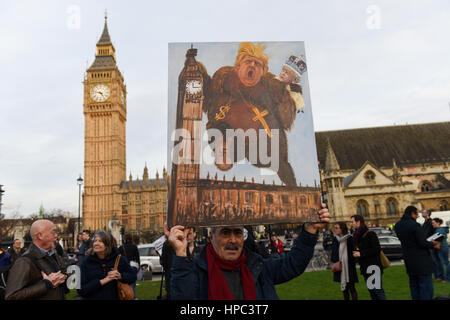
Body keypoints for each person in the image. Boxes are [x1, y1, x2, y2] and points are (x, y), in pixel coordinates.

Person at [168, 204, 329, 300]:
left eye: (238, 233)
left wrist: (310, 230)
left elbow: (293, 264)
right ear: (211, 236)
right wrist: (181, 254)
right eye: (225, 232)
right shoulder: (196, 270)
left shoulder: (258, 266)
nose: (233, 240)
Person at [202, 42, 299, 186]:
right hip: (237, 139)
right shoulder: (224, 89)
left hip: (263, 144)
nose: (252, 65)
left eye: (258, 64)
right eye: (248, 61)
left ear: (263, 72)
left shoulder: (273, 94)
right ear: (238, 66)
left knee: (279, 165)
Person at [5, 219, 68, 300]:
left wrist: (63, 276)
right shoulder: (24, 261)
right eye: (53, 232)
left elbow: (64, 272)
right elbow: (11, 296)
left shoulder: (52, 254)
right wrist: (46, 284)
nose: (56, 236)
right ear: (39, 236)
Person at [394, 206, 441, 300]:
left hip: (409, 259)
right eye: (417, 214)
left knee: (414, 286)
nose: (417, 216)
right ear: (412, 213)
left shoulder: (397, 225)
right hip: (421, 261)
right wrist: (433, 244)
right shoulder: (414, 225)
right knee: (426, 288)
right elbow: (422, 242)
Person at [77, 230, 136, 300]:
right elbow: (81, 290)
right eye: (95, 241)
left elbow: (133, 276)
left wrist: (120, 276)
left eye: (100, 241)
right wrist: (104, 280)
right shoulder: (86, 262)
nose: (96, 243)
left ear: (108, 244)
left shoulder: (119, 259)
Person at [350, 214, 386, 300]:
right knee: (372, 292)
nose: (351, 224)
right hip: (365, 268)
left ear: (358, 222)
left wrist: (361, 253)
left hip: (374, 267)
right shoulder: (356, 235)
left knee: (378, 291)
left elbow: (376, 249)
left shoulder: (370, 234)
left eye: (352, 222)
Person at [330, 222, 358, 300]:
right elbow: (333, 254)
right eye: (334, 228)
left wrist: (347, 260)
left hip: (349, 267)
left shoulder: (349, 238)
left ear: (342, 229)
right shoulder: (335, 239)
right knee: (344, 290)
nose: (334, 230)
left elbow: (353, 253)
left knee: (352, 289)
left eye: (336, 228)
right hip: (341, 268)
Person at [119, 233, 140, 298]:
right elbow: (137, 258)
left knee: (124, 284)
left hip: (124, 267)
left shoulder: (121, 247)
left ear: (124, 239)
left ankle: (126, 296)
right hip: (133, 267)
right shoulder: (134, 246)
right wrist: (138, 268)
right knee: (133, 284)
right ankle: (133, 297)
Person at [431, 218, 449, 283]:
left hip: (443, 247)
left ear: (438, 223)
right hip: (440, 247)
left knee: (445, 263)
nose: (432, 224)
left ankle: (447, 278)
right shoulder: (437, 230)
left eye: (433, 223)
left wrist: (433, 241)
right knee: (440, 263)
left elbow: (437, 241)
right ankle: (441, 277)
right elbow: (435, 240)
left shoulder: (441, 230)